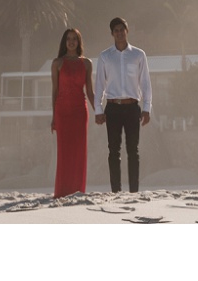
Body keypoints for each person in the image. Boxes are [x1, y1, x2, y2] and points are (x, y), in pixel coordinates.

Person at [94, 16, 152, 192]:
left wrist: (147, 108)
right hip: (112, 107)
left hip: (132, 106)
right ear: (112, 33)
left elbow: (145, 83)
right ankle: (116, 190)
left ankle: (134, 189)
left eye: (122, 29)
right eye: (116, 30)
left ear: (127, 31)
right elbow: (99, 84)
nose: (119, 33)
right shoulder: (105, 56)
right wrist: (98, 109)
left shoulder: (138, 55)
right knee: (113, 150)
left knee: (133, 150)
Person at [50, 27, 94, 198]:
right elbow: (54, 91)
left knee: (78, 152)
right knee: (64, 153)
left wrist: (99, 111)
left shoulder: (86, 63)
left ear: (79, 41)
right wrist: (53, 117)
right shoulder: (57, 63)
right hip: (62, 111)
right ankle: (62, 191)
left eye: (74, 38)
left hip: (79, 111)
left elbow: (89, 91)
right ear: (64, 42)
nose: (71, 41)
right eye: (68, 38)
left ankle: (77, 190)